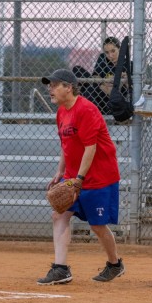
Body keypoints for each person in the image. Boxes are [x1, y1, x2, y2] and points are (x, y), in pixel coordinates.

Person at [37, 69, 124, 285]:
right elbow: (66, 145)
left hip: (98, 178)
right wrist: (60, 172)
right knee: (59, 215)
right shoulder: (61, 112)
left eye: (55, 85)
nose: (50, 89)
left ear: (69, 87)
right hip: (75, 177)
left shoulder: (86, 110)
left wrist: (79, 179)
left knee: (97, 226)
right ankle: (61, 268)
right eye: (49, 85)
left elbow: (90, 148)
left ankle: (115, 264)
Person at [73, 36, 131, 115]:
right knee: (77, 70)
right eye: (107, 52)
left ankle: (86, 107)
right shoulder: (103, 58)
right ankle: (83, 106)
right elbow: (95, 77)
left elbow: (130, 90)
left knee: (90, 90)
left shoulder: (128, 64)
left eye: (113, 51)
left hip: (112, 100)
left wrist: (125, 80)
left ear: (119, 49)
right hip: (99, 91)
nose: (110, 55)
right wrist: (103, 85)